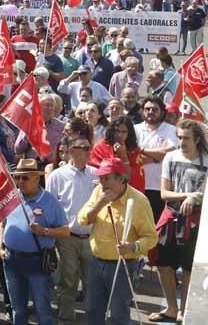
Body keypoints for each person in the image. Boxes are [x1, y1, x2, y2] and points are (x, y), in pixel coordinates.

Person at [78, 157, 158, 325]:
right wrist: (100, 202)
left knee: (118, 315)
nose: (102, 183)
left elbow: (151, 237)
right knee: (93, 311)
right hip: (96, 262)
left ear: (121, 178)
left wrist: (133, 246)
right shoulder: (99, 192)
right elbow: (83, 220)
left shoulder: (139, 201)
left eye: (106, 178)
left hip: (123, 266)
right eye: (100, 178)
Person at [0, 158, 70, 325]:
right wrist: (0, 246)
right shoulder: (11, 197)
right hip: (11, 261)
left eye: (25, 178)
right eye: (18, 178)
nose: (20, 182)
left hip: (37, 262)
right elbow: (2, 224)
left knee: (42, 309)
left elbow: (65, 231)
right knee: (18, 309)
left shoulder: (50, 201)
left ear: (37, 178)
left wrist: (44, 231)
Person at [153, 119, 207, 323]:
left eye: (186, 138)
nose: (181, 141)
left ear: (197, 139)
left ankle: (185, 309)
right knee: (162, 263)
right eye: (179, 137)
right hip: (172, 216)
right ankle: (171, 308)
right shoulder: (170, 157)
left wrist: (195, 197)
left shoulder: (207, 160)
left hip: (197, 220)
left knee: (188, 268)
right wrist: (188, 195)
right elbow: (164, 194)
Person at [46, 135, 98, 323]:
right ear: (71, 150)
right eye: (82, 147)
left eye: (88, 147)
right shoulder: (57, 176)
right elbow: (50, 207)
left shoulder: (96, 174)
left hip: (92, 236)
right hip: (67, 236)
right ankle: (66, 318)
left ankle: (93, 319)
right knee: (68, 281)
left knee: (92, 283)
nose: (87, 151)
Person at [134, 97, 177, 223]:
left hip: (160, 188)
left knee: (156, 227)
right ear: (142, 111)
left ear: (162, 112)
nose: (151, 111)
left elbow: (169, 153)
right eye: (147, 109)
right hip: (138, 186)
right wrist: (156, 158)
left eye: (154, 109)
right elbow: (131, 155)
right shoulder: (135, 129)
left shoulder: (171, 130)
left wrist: (141, 150)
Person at [89, 117, 145, 191]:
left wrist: (123, 156)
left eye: (124, 132)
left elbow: (133, 179)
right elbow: (93, 172)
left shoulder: (134, 150)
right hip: (104, 191)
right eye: (117, 131)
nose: (119, 135)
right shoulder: (100, 147)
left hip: (127, 194)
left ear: (129, 133)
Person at [14, 93, 65, 165]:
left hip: (54, 166)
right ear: (38, 107)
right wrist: (28, 133)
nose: (50, 108)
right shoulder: (29, 124)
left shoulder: (61, 126)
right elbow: (18, 149)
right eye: (47, 105)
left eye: (52, 105)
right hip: (33, 167)